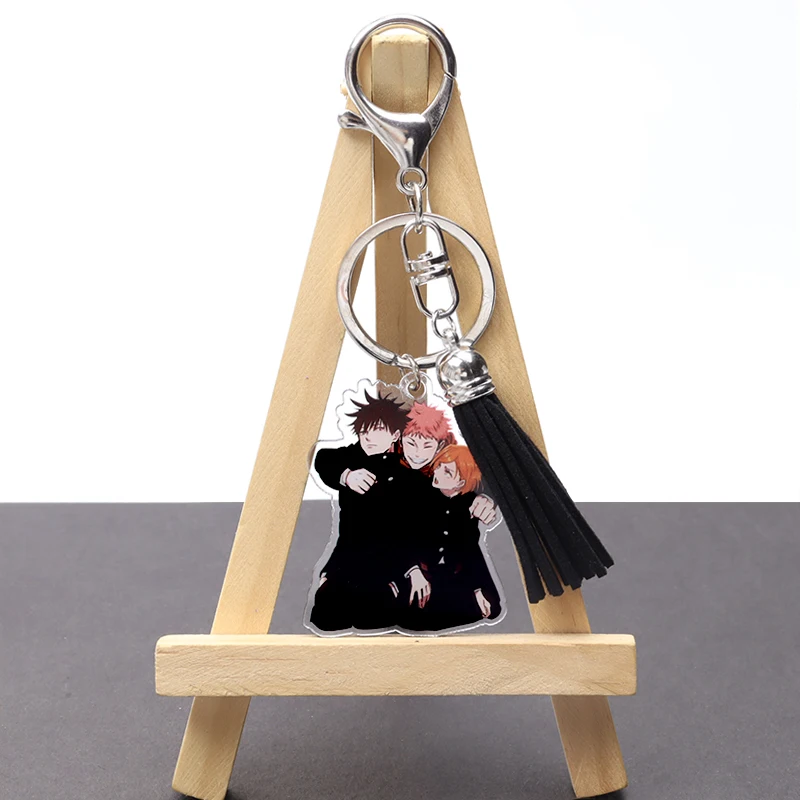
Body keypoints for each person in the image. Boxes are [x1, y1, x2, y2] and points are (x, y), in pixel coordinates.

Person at [308, 389, 413, 633]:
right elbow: (322, 458)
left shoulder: (406, 466)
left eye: (377, 430)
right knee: (328, 617)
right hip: (345, 559)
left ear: (395, 434)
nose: (368, 437)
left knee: (377, 625)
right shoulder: (351, 456)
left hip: (386, 567)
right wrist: (347, 476)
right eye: (364, 430)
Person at [396, 403, 498, 612]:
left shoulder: (456, 464)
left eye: (427, 446)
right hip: (406, 567)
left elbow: (488, 478)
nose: (417, 453)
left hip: (451, 573)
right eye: (411, 443)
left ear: (440, 445)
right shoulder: (394, 467)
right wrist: (412, 570)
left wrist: (487, 498)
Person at [400, 445, 503, 632]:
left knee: (488, 608)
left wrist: (477, 589)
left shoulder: (470, 503)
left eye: (447, 471)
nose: (437, 472)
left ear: (462, 481)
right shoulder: (420, 495)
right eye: (439, 465)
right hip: (419, 573)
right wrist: (413, 570)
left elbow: (470, 549)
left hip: (455, 576)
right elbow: (404, 537)